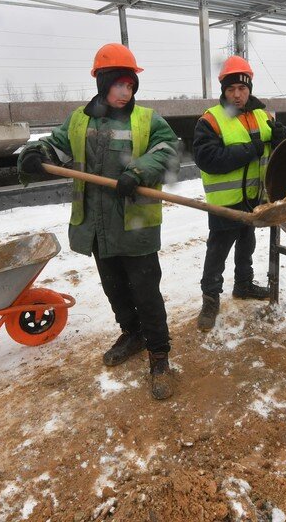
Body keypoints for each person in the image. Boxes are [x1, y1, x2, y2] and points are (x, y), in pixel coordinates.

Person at [18, 43, 180, 400]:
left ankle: (159, 353)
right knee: (115, 288)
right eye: (119, 84)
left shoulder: (147, 119)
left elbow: (168, 150)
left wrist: (138, 171)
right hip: (96, 225)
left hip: (134, 224)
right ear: (103, 82)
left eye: (131, 85)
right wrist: (35, 153)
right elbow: (57, 146)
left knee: (146, 291)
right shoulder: (79, 119)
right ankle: (132, 333)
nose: (126, 92)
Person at [192, 55, 286, 332]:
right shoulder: (211, 120)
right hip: (225, 203)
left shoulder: (263, 115)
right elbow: (207, 158)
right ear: (223, 90)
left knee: (247, 244)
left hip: (254, 200)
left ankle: (244, 284)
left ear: (249, 89)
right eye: (231, 89)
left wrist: (283, 135)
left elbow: (279, 147)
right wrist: (251, 149)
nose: (237, 95)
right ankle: (210, 298)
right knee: (218, 251)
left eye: (242, 89)